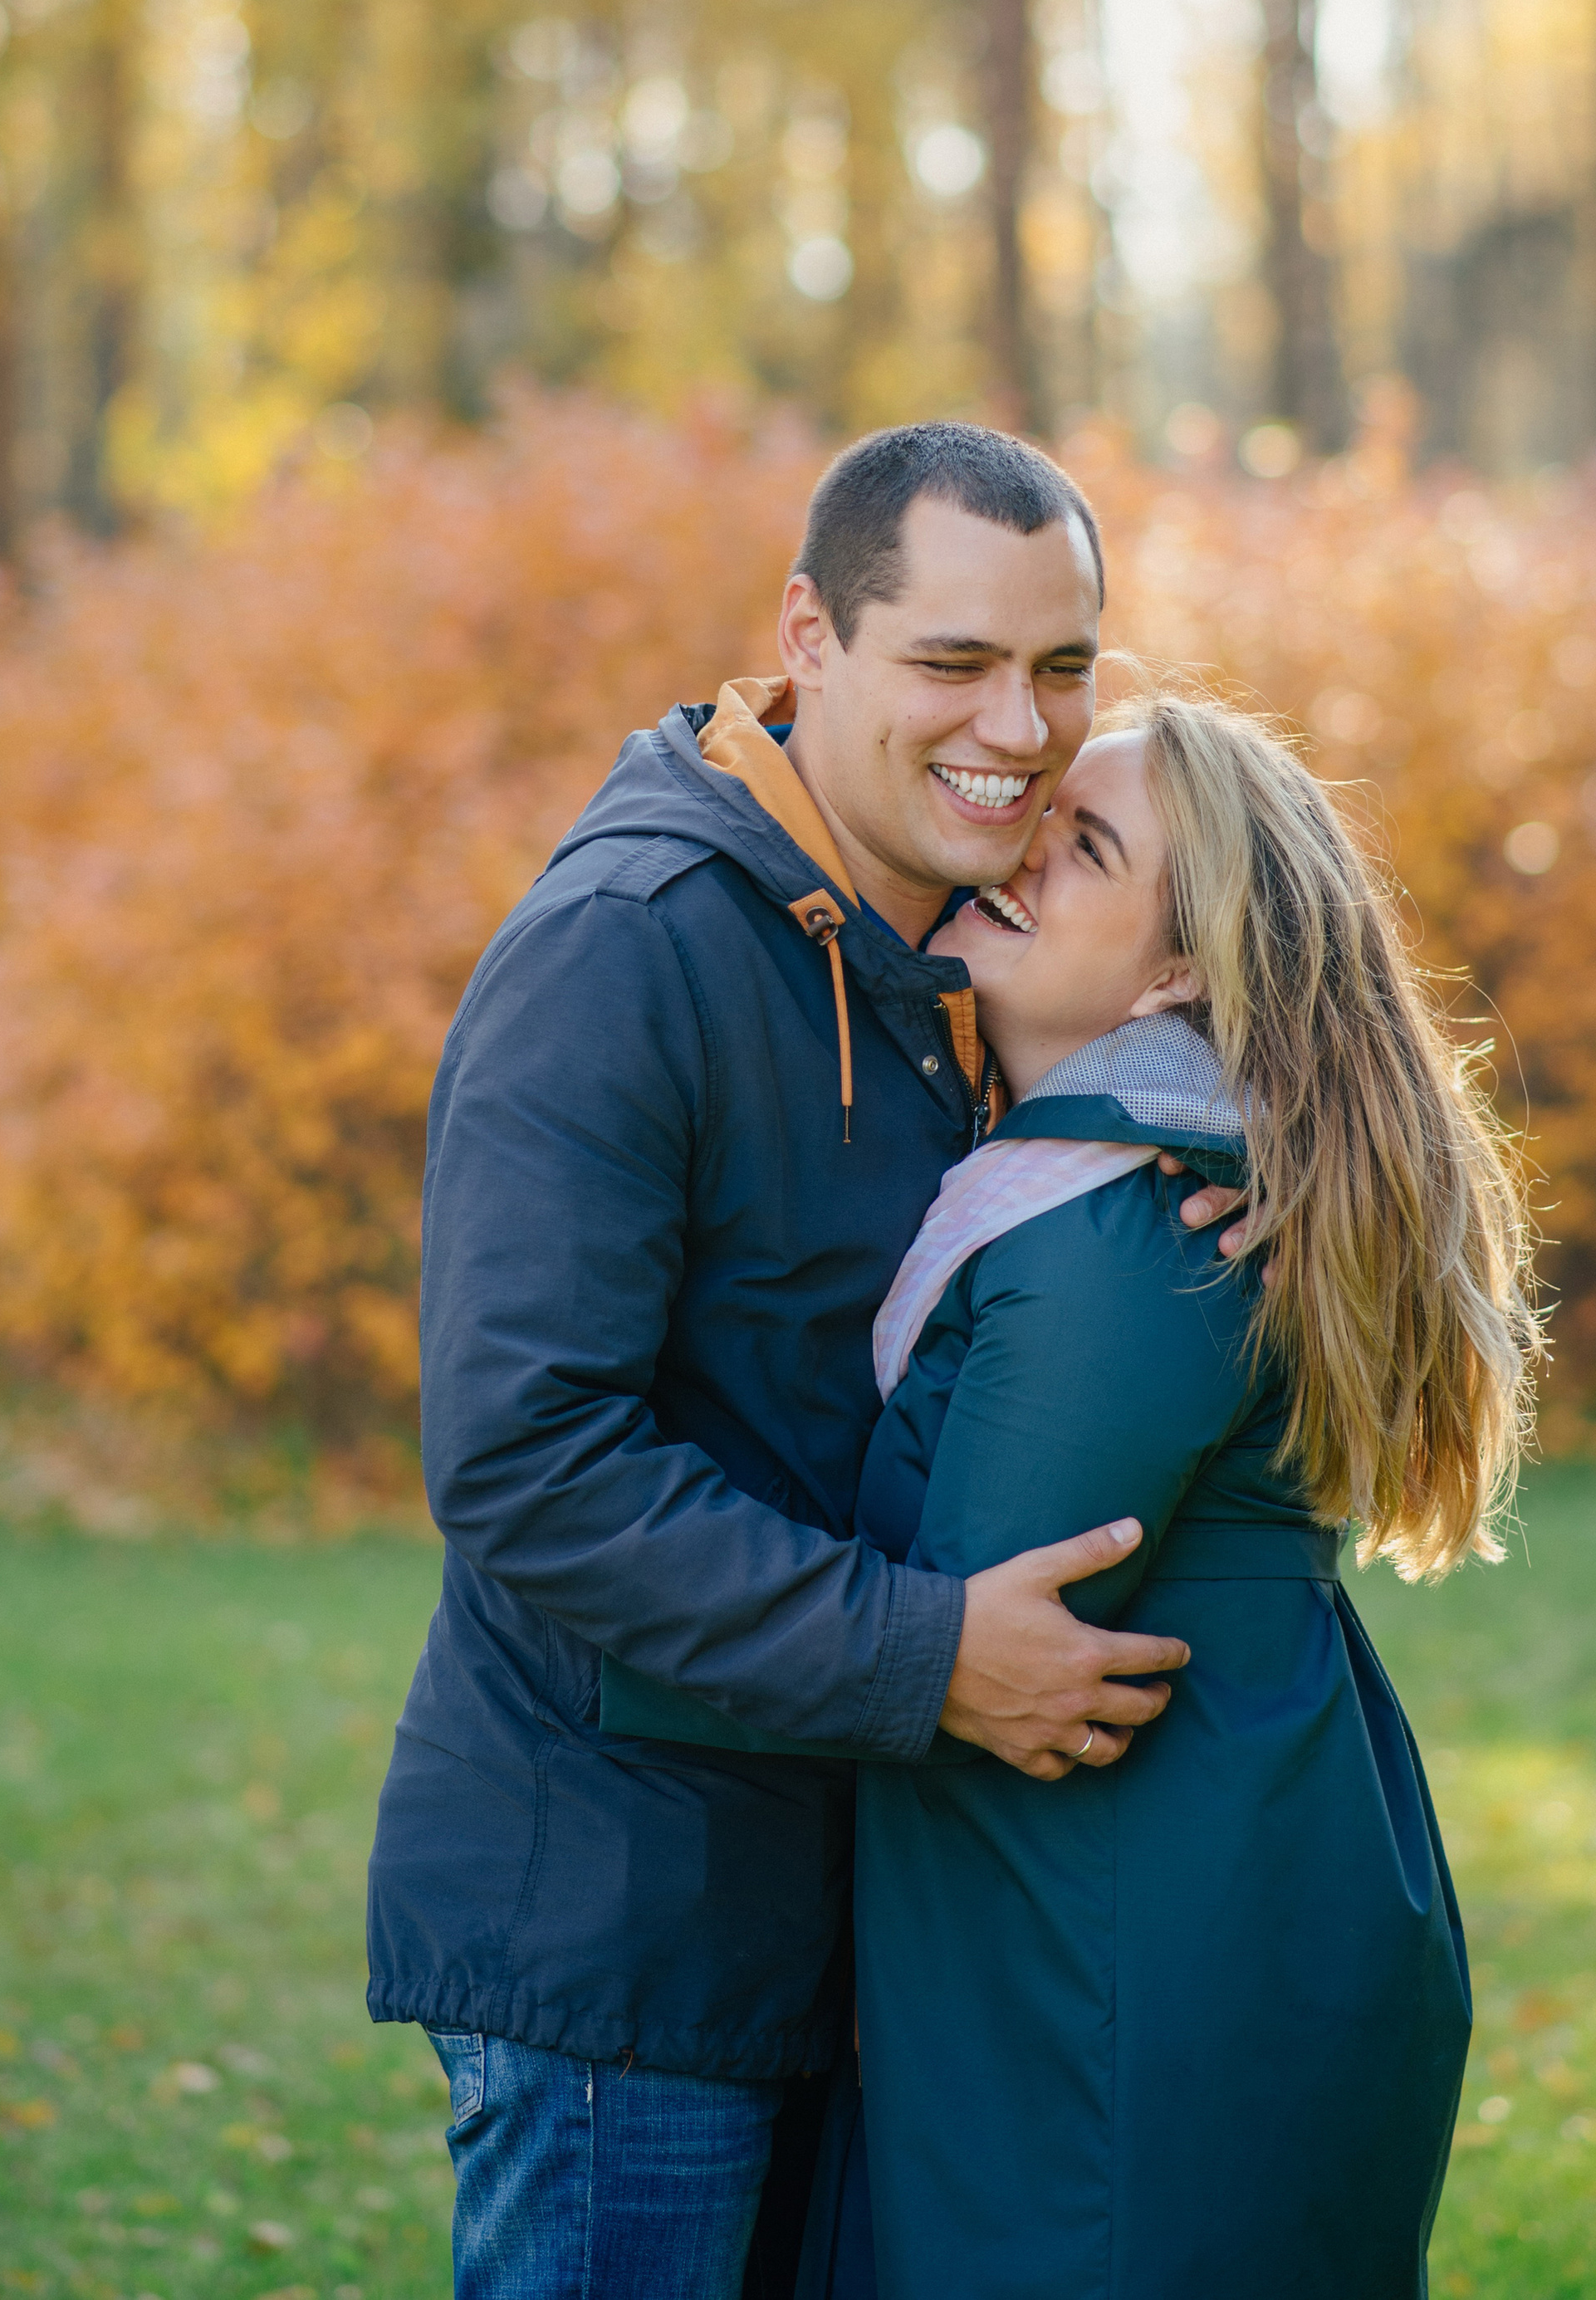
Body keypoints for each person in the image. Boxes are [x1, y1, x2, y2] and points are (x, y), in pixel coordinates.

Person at [365, 426, 1247, 2300]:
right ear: (807, 637)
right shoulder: (627, 951)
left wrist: (1264, 1168)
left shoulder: (934, 940)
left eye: (1063, 664)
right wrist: (927, 1658)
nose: (1017, 722)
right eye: (951, 661)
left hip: (839, 1923)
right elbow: (525, 1458)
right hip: (624, 1940)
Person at [776, 689, 1544, 2298]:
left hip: (1128, 1941)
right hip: (1162, 1893)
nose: (1021, 844)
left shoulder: (1136, 1228)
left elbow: (976, 1629)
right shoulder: (1117, 1172)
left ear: (1181, 969)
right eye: (1042, 808)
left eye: (1087, 842)